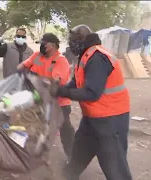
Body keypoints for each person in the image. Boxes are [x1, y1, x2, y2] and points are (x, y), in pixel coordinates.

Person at [49, 25, 132, 180]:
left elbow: (92, 93)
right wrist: (56, 89)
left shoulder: (97, 58)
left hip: (110, 121)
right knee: (76, 159)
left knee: (115, 169)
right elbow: (75, 83)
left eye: (73, 40)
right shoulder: (85, 56)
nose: (70, 44)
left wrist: (61, 92)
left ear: (82, 39)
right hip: (91, 120)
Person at [17, 33, 75, 162]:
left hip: (59, 104)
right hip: (41, 100)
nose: (42, 46)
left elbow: (56, 81)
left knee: (65, 130)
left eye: (44, 44)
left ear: (53, 45)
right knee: (35, 126)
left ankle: (73, 157)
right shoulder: (39, 56)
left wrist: (36, 79)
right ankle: (35, 155)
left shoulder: (60, 60)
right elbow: (22, 67)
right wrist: (25, 71)